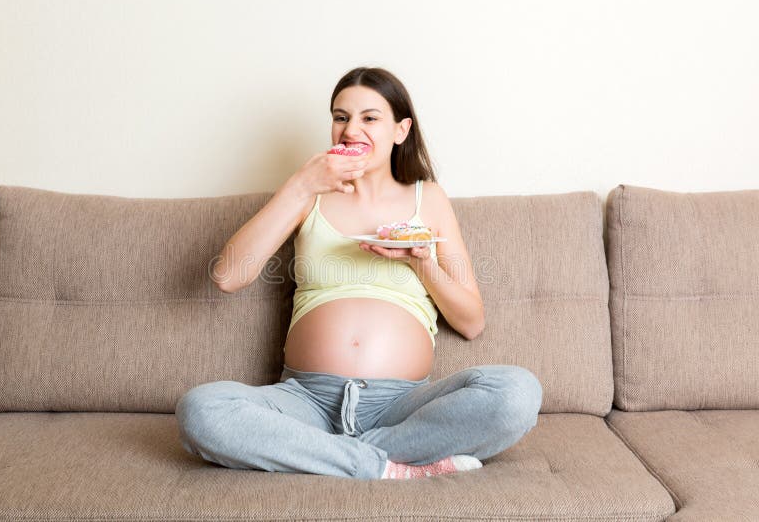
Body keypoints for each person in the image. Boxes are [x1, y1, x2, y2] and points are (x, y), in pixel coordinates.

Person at [175, 67, 543, 480]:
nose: (351, 130)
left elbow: (472, 321)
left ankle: (331, 458)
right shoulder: (307, 195)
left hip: (402, 406)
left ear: (401, 130)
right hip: (305, 402)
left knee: (517, 393)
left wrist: (419, 262)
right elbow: (227, 275)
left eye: (369, 118)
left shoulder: (430, 199)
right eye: (340, 117)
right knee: (202, 409)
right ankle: (393, 465)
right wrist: (301, 184)